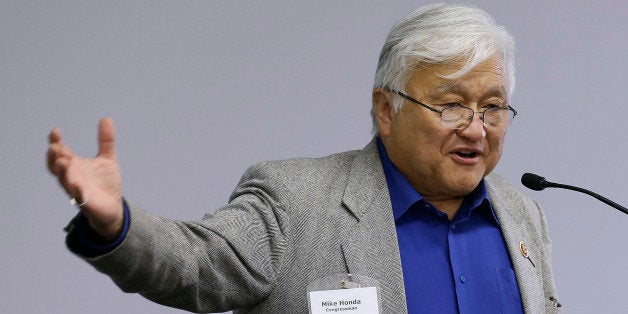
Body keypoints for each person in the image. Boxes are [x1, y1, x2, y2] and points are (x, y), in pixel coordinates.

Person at [47, 3, 560, 313]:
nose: (476, 127)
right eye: (450, 106)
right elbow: (197, 267)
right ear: (387, 109)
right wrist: (117, 222)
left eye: (492, 107)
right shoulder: (296, 202)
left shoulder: (520, 213)